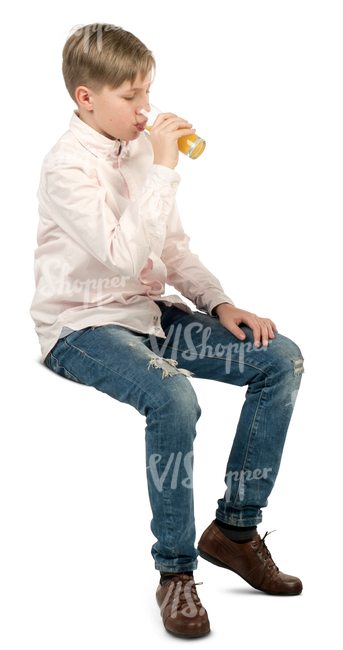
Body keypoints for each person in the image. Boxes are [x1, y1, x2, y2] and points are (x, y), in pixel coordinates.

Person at [30, 23, 305, 639]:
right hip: (81, 324)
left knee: (280, 358)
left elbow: (171, 249)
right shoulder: (65, 167)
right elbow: (125, 256)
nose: (145, 109)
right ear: (86, 98)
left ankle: (234, 530)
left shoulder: (138, 150)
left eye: (148, 92)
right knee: (173, 395)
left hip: (150, 316)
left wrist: (219, 302)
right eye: (131, 96)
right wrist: (162, 167)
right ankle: (175, 574)